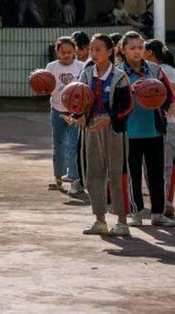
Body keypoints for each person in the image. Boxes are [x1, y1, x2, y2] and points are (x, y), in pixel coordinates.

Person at [74, 33, 133, 237]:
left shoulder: (120, 77)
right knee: (93, 174)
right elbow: (77, 99)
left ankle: (122, 221)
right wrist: (79, 115)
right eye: (91, 49)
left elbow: (127, 106)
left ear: (110, 52)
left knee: (117, 174)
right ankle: (99, 219)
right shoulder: (87, 74)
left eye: (98, 49)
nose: (94, 53)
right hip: (91, 128)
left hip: (114, 130)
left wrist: (110, 118)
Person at [119, 31, 175, 228]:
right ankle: (136, 212)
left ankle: (158, 213)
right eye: (132, 48)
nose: (137, 51)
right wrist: (129, 92)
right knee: (132, 174)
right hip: (129, 131)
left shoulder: (155, 70)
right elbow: (114, 101)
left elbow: (168, 93)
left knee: (156, 174)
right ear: (123, 50)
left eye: (140, 48)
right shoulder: (119, 73)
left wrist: (168, 105)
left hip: (154, 129)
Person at [144, 39, 175, 218]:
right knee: (148, 166)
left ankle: (166, 202)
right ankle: (158, 200)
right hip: (146, 123)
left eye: (143, 48)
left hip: (168, 123)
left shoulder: (166, 70)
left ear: (150, 53)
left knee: (167, 165)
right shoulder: (140, 70)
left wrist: (161, 86)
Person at [45, 37, 85, 196]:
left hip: (75, 111)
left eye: (70, 52)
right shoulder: (51, 67)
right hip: (57, 109)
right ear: (57, 52)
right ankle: (58, 177)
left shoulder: (81, 67)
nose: (67, 55)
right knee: (58, 143)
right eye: (63, 52)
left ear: (75, 51)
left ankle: (75, 179)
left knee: (74, 144)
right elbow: (45, 86)